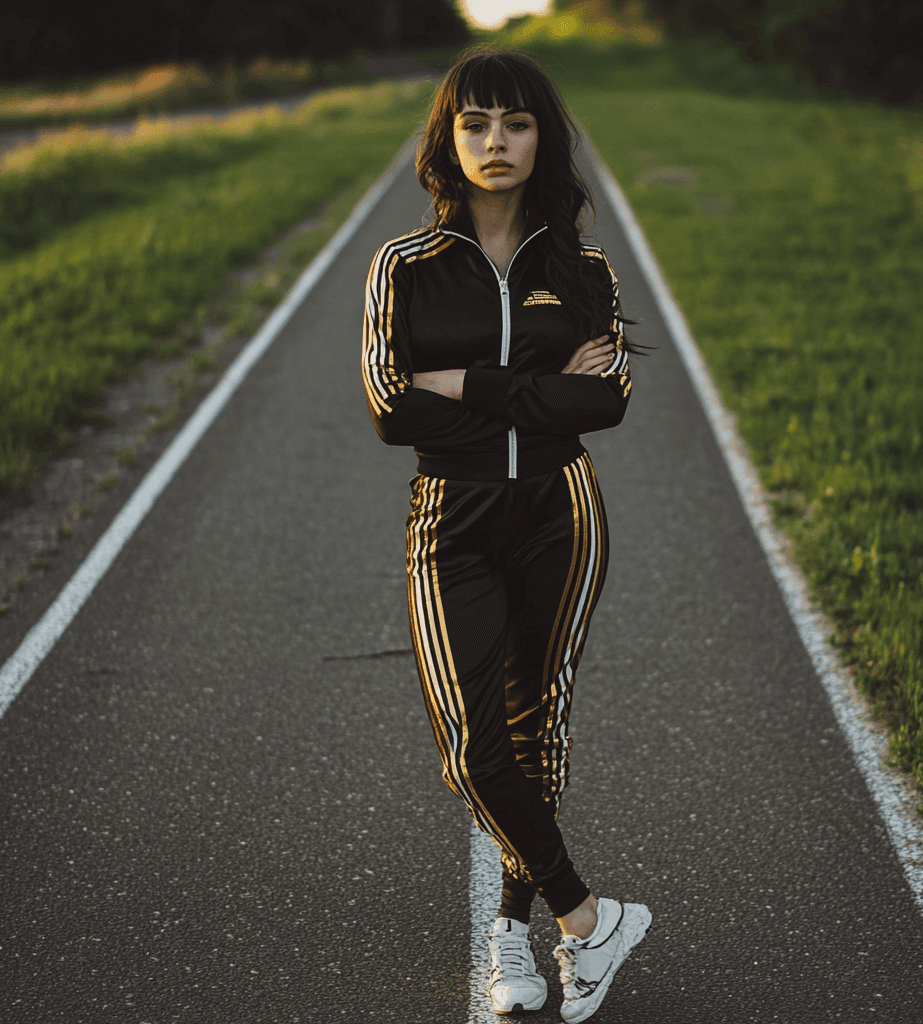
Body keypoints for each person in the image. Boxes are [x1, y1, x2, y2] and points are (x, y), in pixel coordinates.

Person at [361, 46, 650, 1022]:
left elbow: (603, 401)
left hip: (561, 514)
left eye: (516, 123)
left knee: (538, 729)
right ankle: (589, 917)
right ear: (447, 137)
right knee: (473, 746)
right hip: (453, 517)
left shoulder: (584, 268)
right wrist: (539, 388)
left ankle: (512, 938)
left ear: (543, 138)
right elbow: (394, 413)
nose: (495, 142)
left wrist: (471, 387)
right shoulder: (403, 267)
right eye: (475, 123)